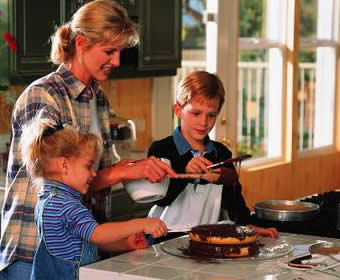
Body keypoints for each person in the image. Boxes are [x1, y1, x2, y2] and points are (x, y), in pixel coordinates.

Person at [0, 1, 176, 279]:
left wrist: (114, 242)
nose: (117, 61)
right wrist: (124, 172)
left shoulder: (97, 98)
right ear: (81, 43)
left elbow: (86, 182)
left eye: (120, 51)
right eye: (109, 51)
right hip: (33, 253)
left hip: (77, 250)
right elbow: (56, 181)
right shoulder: (43, 96)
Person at [18, 114, 167, 280]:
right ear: (64, 165)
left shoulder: (51, 198)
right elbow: (97, 233)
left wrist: (124, 244)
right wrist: (141, 224)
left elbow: (86, 240)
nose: (94, 173)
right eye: (88, 166)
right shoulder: (63, 205)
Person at [148, 71, 278, 239]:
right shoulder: (161, 149)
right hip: (162, 237)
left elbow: (233, 200)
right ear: (178, 110)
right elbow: (161, 199)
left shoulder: (221, 153)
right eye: (196, 113)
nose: (203, 122)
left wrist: (247, 224)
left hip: (204, 238)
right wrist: (187, 172)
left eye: (211, 115)